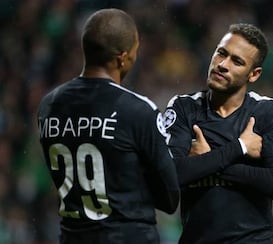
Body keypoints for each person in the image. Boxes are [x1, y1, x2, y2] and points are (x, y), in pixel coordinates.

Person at [37, 8, 179, 244]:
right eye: (135, 50)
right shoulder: (137, 110)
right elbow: (169, 198)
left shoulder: (49, 106)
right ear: (122, 57)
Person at [164, 23, 273, 243]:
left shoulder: (268, 111)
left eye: (237, 61)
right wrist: (239, 147)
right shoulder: (183, 107)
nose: (222, 65)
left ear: (253, 75)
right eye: (221, 53)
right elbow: (171, 174)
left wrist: (206, 161)